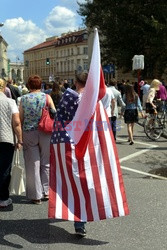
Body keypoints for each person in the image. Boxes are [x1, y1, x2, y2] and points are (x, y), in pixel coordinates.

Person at [49, 72, 129, 237]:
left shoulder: (69, 97)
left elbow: (60, 117)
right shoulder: (93, 99)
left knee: (72, 181)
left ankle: (76, 215)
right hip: (88, 143)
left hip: (67, 143)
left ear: (76, 82)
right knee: (86, 179)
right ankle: (83, 217)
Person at [19, 75, 56, 205]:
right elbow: (54, 113)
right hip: (45, 132)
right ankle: (46, 191)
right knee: (46, 161)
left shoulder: (23, 99)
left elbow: (21, 118)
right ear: (41, 85)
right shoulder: (47, 97)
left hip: (29, 132)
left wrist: (19, 135)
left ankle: (36, 195)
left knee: (32, 164)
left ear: (29, 85)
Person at [0, 78, 22, 208]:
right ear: (4, 88)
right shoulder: (10, 102)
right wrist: (19, 139)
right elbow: (17, 122)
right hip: (6, 139)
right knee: (4, 169)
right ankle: (3, 198)